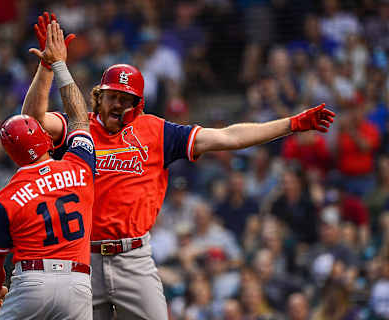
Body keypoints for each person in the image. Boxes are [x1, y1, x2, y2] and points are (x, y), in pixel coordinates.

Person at [24, 13, 336, 320]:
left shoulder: (157, 131)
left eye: (126, 98)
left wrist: (291, 124)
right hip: (82, 258)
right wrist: (47, 66)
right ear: (98, 97)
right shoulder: (79, 128)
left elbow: (228, 137)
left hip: (133, 259)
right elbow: (32, 122)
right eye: (112, 96)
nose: (118, 104)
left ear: (138, 104)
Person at [0, 21, 95, 320]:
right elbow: (79, 118)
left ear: (11, 155)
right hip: (79, 283)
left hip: (31, 282)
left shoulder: (6, 197)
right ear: (46, 137)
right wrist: (58, 65)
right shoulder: (79, 167)